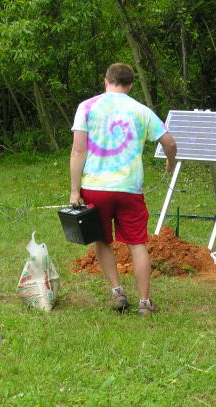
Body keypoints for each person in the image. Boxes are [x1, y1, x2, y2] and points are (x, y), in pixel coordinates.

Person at [69, 62, 177, 316]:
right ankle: (144, 303)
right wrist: (170, 164)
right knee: (137, 243)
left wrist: (75, 191)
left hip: (95, 188)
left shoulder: (87, 107)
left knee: (102, 239)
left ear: (106, 81)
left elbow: (78, 150)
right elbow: (169, 143)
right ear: (130, 85)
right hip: (130, 189)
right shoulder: (141, 111)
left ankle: (117, 292)